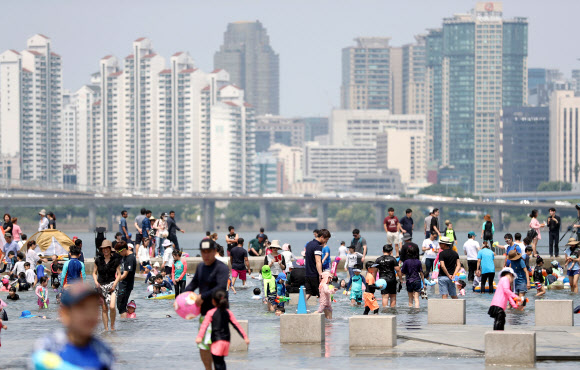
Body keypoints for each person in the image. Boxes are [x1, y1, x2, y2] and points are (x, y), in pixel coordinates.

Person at [31, 284, 115, 369]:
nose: (89, 315)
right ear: (64, 314)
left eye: (94, 308)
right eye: (82, 308)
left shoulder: (102, 353)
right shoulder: (49, 347)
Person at [184, 238, 229, 370]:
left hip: (219, 314)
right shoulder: (201, 267)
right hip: (204, 313)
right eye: (203, 252)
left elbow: (221, 287)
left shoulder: (222, 268)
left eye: (209, 252)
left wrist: (202, 296)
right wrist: (182, 296)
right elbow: (193, 283)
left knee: (217, 351)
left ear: (215, 251)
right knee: (203, 346)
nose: (206, 255)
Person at [196, 290, 249, 370]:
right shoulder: (228, 312)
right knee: (221, 361)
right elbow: (236, 325)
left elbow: (204, 325)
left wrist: (200, 337)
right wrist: (245, 337)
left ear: (213, 301)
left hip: (216, 340)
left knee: (217, 363)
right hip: (226, 341)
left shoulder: (211, 313)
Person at [92, 239, 121, 331]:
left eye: (107, 248)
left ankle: (112, 326)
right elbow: (94, 273)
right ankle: (106, 328)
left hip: (112, 285)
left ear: (110, 249)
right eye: (103, 249)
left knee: (112, 306)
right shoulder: (98, 260)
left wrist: (115, 284)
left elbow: (119, 274)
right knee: (104, 308)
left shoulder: (115, 260)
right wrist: (96, 282)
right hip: (101, 285)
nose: (105, 250)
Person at [304, 229, 331, 301]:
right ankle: (324, 312)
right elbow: (318, 261)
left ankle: (300, 308)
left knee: (308, 293)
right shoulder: (317, 246)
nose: (326, 241)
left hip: (307, 273)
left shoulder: (309, 244)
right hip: (314, 274)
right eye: (326, 239)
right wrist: (320, 274)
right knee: (323, 295)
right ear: (322, 237)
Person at [115, 241, 136, 319]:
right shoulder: (124, 256)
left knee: (121, 306)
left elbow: (125, 274)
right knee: (120, 306)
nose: (119, 254)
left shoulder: (130, 258)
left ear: (123, 250)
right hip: (122, 284)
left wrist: (115, 281)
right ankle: (124, 323)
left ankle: (124, 323)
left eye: (119, 252)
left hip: (126, 285)